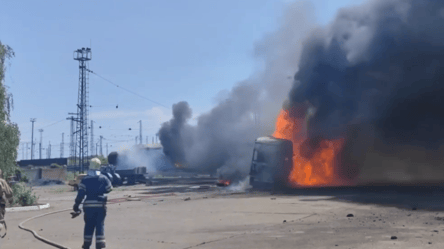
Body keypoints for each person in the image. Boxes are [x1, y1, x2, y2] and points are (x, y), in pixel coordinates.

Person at [73, 170, 113, 249]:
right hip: (100, 206)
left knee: (88, 225)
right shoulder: (104, 178)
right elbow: (109, 188)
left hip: (88, 206)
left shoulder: (85, 179)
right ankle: (100, 244)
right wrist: (100, 190)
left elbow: (81, 194)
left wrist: (76, 205)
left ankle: (86, 245)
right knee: (100, 224)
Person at [0, 169, 13, 235]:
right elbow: (8, 192)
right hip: (1, 203)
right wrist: (10, 201)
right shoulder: (2, 182)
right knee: (0, 220)